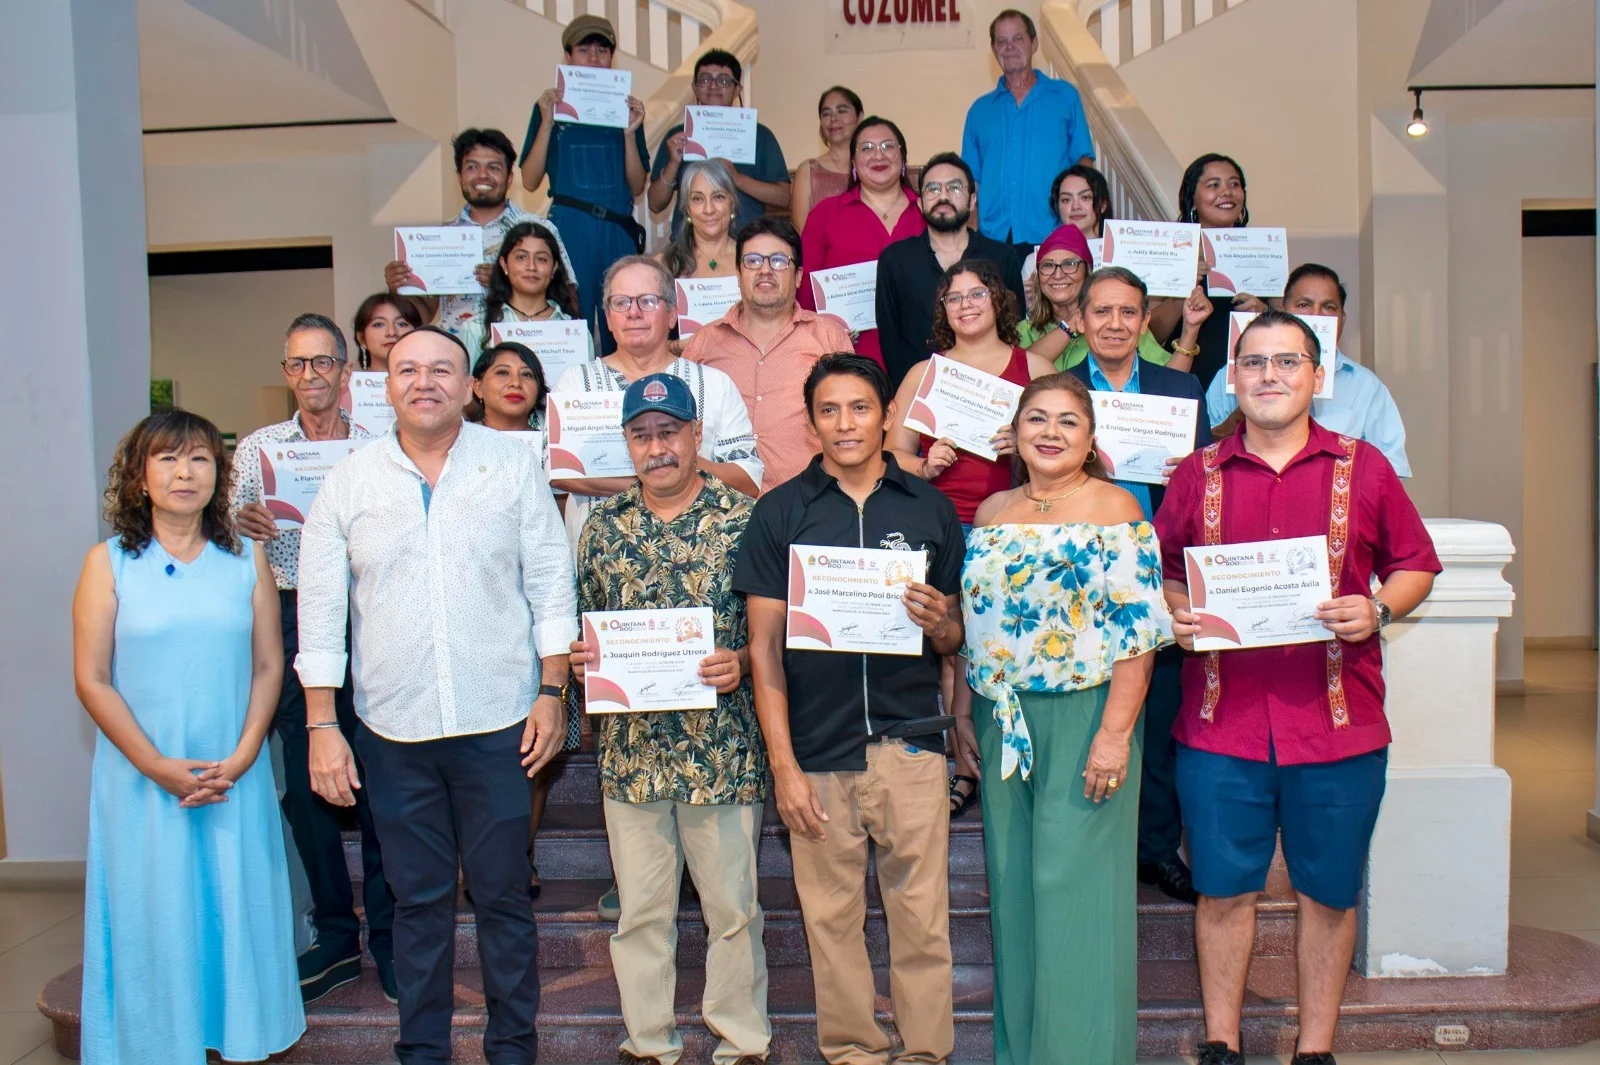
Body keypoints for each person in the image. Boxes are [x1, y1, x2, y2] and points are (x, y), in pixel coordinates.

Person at [1156, 311, 1441, 1065]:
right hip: (1220, 727)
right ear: (1233, 377)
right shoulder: (1196, 475)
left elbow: (1415, 564)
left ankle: (1315, 1050)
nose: (1270, 375)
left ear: (1318, 376)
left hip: (1339, 726)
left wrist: (1378, 609)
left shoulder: (1364, 467)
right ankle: (1221, 1043)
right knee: (1222, 892)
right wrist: (1179, 613)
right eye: (1254, 361)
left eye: (1288, 361)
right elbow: (1165, 572)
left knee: (1330, 894)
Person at [296, 326, 578, 1064]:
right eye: (408, 369)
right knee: (416, 905)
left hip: (501, 723)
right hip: (393, 732)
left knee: (503, 898)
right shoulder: (349, 481)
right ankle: (422, 1052)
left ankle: (512, 1049)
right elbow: (320, 612)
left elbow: (551, 582)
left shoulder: (511, 465)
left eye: (442, 369)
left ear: (468, 385)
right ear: (383, 384)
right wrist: (322, 724)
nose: (425, 382)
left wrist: (553, 689)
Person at [735, 353, 967, 1065]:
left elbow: (955, 638)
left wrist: (942, 621)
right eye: (829, 410)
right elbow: (763, 650)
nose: (845, 423)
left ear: (886, 415)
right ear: (810, 423)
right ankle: (854, 1053)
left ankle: (926, 1053)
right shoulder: (780, 511)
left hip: (911, 745)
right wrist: (783, 768)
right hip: (817, 751)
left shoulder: (929, 507)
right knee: (831, 922)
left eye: (860, 407)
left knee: (922, 920)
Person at [73, 410, 305, 1064]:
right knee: (155, 914)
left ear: (217, 475)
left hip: (232, 772)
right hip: (142, 777)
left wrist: (244, 754)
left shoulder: (245, 559)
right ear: (139, 476)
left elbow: (269, 665)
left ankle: (237, 1038)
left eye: (199, 458)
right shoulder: (109, 564)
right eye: (168, 458)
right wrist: (156, 765)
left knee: (232, 906)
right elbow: (92, 679)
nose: (184, 472)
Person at [957, 372, 1171, 1065]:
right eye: (1037, 418)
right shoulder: (991, 512)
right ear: (1015, 432)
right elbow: (975, 625)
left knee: (1075, 891)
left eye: (1067, 421)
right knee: (1016, 891)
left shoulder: (1116, 509)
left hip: (1088, 717)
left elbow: (1138, 635)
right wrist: (963, 711)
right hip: (1002, 718)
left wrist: (1114, 735)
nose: (1050, 432)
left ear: (1091, 438)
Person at [568, 372, 770, 1065]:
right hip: (632, 753)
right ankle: (649, 1041)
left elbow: (771, 638)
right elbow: (586, 625)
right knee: (641, 913)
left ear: (696, 434)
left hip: (723, 750)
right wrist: (585, 662)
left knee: (733, 911)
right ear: (627, 442)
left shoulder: (744, 519)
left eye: (670, 431)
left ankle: (741, 1040)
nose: (657, 447)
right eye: (642, 435)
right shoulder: (602, 528)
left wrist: (741, 661)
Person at [230, 314, 396, 1004]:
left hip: (368, 618)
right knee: (305, 787)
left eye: (323, 362)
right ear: (286, 372)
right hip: (292, 616)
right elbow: (227, 532)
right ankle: (334, 931)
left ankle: (388, 933)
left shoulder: (377, 445)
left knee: (381, 779)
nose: (310, 375)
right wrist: (239, 523)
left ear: (345, 370)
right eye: (297, 364)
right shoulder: (256, 450)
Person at [1065, 267, 1211, 903]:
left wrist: (1192, 470)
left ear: (1147, 320)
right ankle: (1088, 847)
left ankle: (1153, 849)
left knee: (1158, 716)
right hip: (1081, 575)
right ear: (1080, 320)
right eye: (1102, 311)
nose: (1115, 324)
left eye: (1128, 312)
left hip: (1163, 575)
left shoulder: (1181, 388)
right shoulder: (1060, 391)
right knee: (1086, 714)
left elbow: (1211, 484)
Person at [551, 255, 763, 548]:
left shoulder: (715, 384)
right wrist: (667, 478)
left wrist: (678, 468)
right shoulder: (575, 384)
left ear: (673, 314)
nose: (633, 313)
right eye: (621, 302)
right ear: (608, 317)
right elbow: (559, 474)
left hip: (700, 558)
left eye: (647, 301)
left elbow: (748, 478)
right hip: (602, 559)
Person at [683, 217, 854, 491]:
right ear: (738, 274)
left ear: (798, 276)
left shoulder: (827, 337)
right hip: (721, 504)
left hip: (809, 500)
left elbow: (853, 422)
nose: (765, 270)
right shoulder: (706, 342)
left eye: (778, 261)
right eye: (752, 261)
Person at [887, 259, 1054, 528]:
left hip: (1014, 521)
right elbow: (891, 454)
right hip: (937, 523)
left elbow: (1068, 449)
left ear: (997, 299)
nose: (966, 304)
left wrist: (1023, 446)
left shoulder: (1036, 369)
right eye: (954, 298)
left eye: (977, 294)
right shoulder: (922, 374)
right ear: (944, 309)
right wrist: (924, 467)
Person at [1205, 263, 1412, 476]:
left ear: (1342, 320)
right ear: (1283, 311)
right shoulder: (1237, 372)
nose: (1316, 315)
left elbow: (1389, 472)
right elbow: (1206, 450)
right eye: (1304, 305)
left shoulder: (1366, 386)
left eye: (1328, 307)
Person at [521, 14, 650, 341]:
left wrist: (630, 133)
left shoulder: (627, 110)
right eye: (584, 49)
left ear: (611, 58)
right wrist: (547, 123)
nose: (593, 58)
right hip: (569, 228)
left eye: (602, 50)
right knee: (569, 324)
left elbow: (637, 186)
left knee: (623, 322)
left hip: (617, 227)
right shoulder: (548, 108)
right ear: (568, 57)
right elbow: (530, 180)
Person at [385, 128, 574, 337]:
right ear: (459, 176)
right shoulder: (438, 238)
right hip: (457, 349)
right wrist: (400, 287)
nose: (482, 175)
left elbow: (569, 301)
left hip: (520, 348)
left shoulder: (539, 229)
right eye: (472, 167)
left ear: (509, 177)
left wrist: (506, 281)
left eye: (493, 167)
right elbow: (424, 316)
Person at [875, 152, 1028, 387]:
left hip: (993, 391)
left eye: (954, 188)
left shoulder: (1002, 256)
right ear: (920, 202)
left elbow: (1014, 326)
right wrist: (910, 391)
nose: (943, 196)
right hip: (920, 390)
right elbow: (890, 338)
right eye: (933, 189)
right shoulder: (895, 260)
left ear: (973, 200)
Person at [797, 116, 925, 369]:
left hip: (922, 355)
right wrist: (826, 332)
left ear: (902, 159)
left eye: (888, 146)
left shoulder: (929, 213)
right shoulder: (825, 215)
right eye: (866, 148)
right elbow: (805, 295)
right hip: (849, 358)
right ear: (854, 164)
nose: (878, 155)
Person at [961, 9, 1095, 246]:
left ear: (1034, 44)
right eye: (1001, 41)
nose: (1009, 47)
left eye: (1017, 38)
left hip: (1053, 233)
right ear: (993, 49)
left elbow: (1084, 163)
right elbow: (970, 182)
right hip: (993, 238)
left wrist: (1079, 224)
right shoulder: (979, 111)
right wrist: (971, 240)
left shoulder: (1065, 97)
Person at [1148, 153, 1267, 389]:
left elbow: (1288, 321)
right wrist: (1182, 288)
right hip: (1185, 378)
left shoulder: (1262, 250)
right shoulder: (1170, 249)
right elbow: (1151, 334)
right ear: (1192, 198)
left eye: (1234, 184)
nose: (1227, 192)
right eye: (1214, 185)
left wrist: (1264, 313)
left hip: (1249, 380)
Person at [648, 49, 790, 232]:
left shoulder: (760, 135)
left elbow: (784, 197)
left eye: (723, 81)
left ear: (737, 89)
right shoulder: (678, 136)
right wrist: (673, 164)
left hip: (744, 241)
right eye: (705, 79)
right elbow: (655, 204)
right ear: (695, 87)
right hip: (689, 243)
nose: (713, 86)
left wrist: (737, 179)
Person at [456, 220, 588, 364]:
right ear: (504, 264)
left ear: (554, 268)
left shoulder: (576, 331)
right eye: (521, 257)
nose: (531, 266)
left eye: (541, 259)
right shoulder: (476, 329)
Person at [789, 86, 863, 235]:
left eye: (842, 111)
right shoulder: (808, 170)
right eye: (826, 113)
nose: (833, 119)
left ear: (859, 117)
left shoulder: (873, 165)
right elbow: (801, 232)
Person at [658, 160, 741, 280]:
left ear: (732, 204)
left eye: (718, 197)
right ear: (687, 209)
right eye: (698, 199)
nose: (709, 210)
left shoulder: (753, 261)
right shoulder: (663, 266)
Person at [472, 341, 549, 432]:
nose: (516, 383)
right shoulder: (460, 438)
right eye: (503, 373)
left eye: (526, 374)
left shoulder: (549, 441)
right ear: (478, 387)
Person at [352, 293, 423, 371]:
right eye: (379, 324)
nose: (391, 333)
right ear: (362, 339)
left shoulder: (430, 378)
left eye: (402, 324)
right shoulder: (349, 378)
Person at [1051, 163, 1112, 240]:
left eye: (1085, 198)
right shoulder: (1046, 248)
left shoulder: (1121, 247)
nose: (1075, 207)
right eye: (1066, 200)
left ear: (1103, 205)